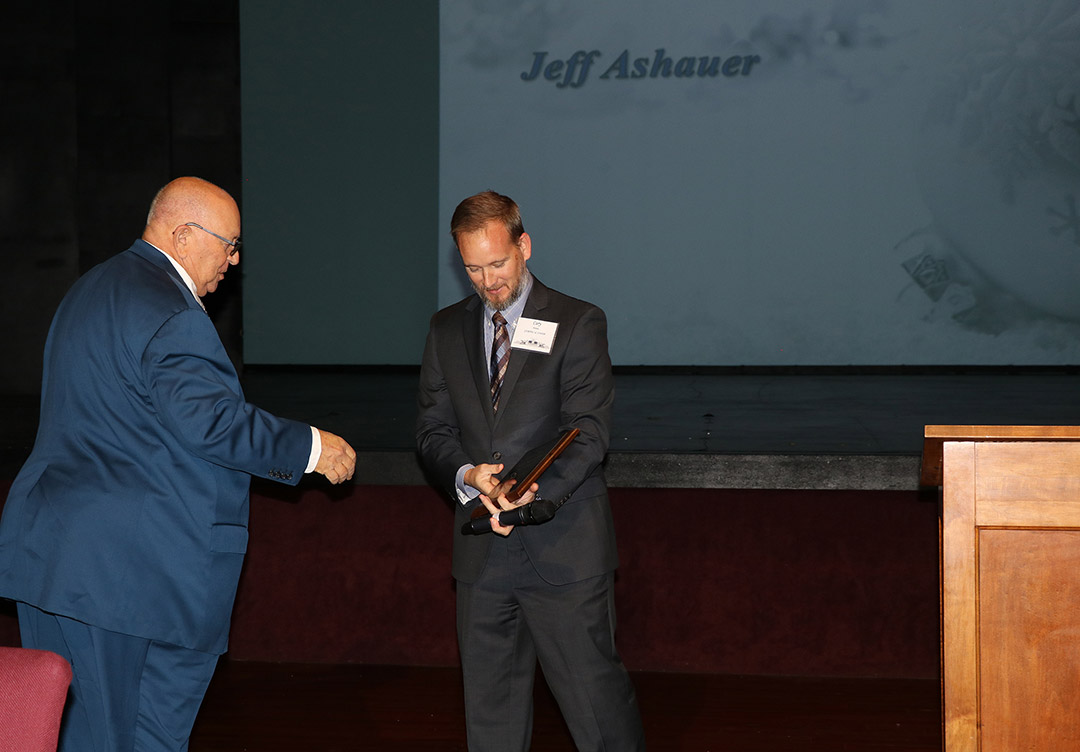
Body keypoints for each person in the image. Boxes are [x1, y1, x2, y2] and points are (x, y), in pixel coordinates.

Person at [0, 176, 356, 752]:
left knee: (61, 735)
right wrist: (311, 447)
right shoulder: (169, 308)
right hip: (129, 578)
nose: (234, 262)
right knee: (130, 738)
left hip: (54, 560)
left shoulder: (89, 289)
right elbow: (210, 422)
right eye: (229, 244)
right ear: (183, 234)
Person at [416, 190, 645, 750]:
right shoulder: (447, 331)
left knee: (597, 712)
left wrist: (527, 495)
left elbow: (588, 433)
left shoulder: (577, 322)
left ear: (524, 246)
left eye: (497, 263)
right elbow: (432, 432)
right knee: (490, 719)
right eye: (473, 268)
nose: (488, 281)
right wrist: (470, 477)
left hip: (561, 547)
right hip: (482, 552)